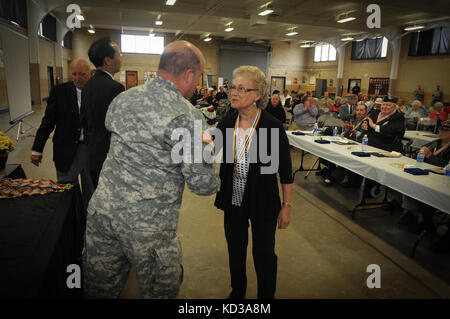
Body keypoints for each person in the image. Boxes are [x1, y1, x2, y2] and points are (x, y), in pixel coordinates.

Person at [82, 40, 220, 298]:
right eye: (198, 77)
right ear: (189, 74)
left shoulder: (123, 99)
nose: (198, 84)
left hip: (102, 215)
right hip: (149, 228)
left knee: (97, 291)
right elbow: (202, 185)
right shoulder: (187, 116)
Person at [214, 65, 293, 299]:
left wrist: (287, 206)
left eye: (241, 88)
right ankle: (237, 293)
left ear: (257, 94)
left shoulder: (272, 127)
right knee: (235, 251)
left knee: (264, 254)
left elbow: (286, 171)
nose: (234, 93)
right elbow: (210, 153)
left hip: (263, 200)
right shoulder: (227, 124)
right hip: (233, 198)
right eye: (232, 88)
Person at [31, 59, 91, 190]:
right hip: (65, 150)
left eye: (82, 74)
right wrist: (37, 149)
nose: (77, 78)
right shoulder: (59, 92)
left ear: (90, 73)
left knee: (91, 191)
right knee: (67, 191)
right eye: (74, 74)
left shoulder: (97, 91)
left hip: (90, 150)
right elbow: (47, 123)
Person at [80, 37, 125, 190]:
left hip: (93, 156)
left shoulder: (88, 85)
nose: (121, 58)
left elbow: (84, 121)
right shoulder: (115, 88)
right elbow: (120, 127)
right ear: (108, 60)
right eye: (119, 54)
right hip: (110, 159)